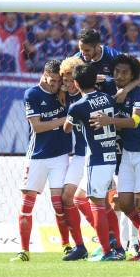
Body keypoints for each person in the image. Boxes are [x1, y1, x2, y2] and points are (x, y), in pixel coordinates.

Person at [90, 54, 140, 261]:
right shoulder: (108, 86)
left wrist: (108, 120)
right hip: (127, 153)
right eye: (116, 71)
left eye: (124, 72)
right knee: (123, 203)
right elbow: (88, 79)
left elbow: (134, 121)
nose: (119, 76)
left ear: (132, 75)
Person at [10, 60, 73, 263]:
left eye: (58, 80)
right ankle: (24, 250)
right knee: (27, 203)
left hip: (60, 155)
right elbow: (37, 127)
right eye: (51, 80)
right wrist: (65, 120)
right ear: (44, 75)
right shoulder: (32, 94)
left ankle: (66, 246)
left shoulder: (66, 92)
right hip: (37, 156)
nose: (55, 84)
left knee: (59, 203)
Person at [64, 63, 124, 261]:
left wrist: (75, 118)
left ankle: (107, 251)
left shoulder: (77, 106)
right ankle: (117, 246)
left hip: (96, 159)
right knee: (80, 199)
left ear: (76, 83)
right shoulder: (107, 98)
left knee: (97, 203)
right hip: (109, 156)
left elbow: (66, 128)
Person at [59, 56, 91, 261]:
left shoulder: (92, 94)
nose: (68, 84)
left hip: (96, 154)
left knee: (102, 201)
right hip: (80, 154)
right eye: (65, 80)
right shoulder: (64, 95)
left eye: (71, 80)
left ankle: (111, 241)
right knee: (66, 197)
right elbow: (47, 79)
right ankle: (80, 246)